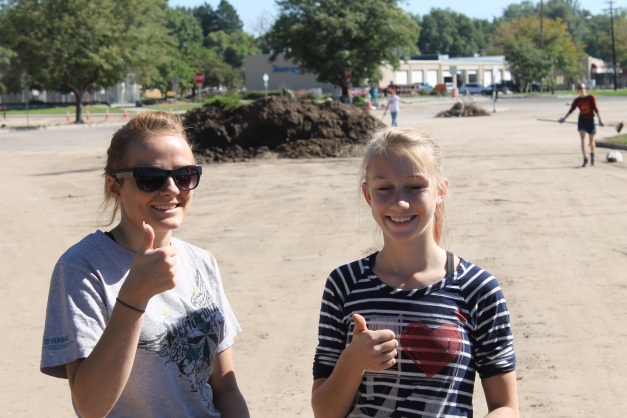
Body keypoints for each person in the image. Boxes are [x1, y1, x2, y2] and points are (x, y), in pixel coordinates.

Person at [40, 111, 249, 418]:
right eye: (149, 178)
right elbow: (90, 406)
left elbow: (226, 389)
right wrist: (133, 298)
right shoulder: (82, 267)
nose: (171, 189)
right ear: (115, 186)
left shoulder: (202, 262)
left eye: (185, 175)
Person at [311, 127, 518, 417]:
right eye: (384, 189)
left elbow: (506, 407)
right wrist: (353, 360)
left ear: (440, 191)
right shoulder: (344, 284)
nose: (400, 203)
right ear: (368, 194)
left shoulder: (478, 288)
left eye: (415, 186)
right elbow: (324, 412)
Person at [559, 83, 604, 167]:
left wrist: (600, 120)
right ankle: (585, 158)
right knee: (583, 139)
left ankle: (592, 154)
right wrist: (564, 118)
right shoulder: (577, 100)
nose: (583, 89)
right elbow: (571, 110)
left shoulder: (591, 98)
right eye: (580, 88)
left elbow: (596, 109)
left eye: (584, 88)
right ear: (578, 90)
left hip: (591, 120)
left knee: (591, 141)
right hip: (582, 120)